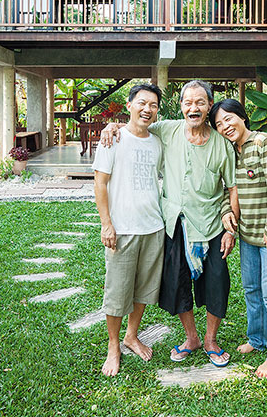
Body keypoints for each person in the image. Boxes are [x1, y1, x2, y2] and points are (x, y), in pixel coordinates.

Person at [102, 80, 238, 367]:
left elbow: (231, 187)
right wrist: (111, 126)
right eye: (187, 102)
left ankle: (211, 340)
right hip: (174, 223)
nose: (193, 108)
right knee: (177, 285)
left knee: (217, 283)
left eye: (200, 102)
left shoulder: (222, 144)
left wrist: (230, 227)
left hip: (210, 223)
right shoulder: (167, 130)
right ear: (180, 107)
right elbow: (137, 125)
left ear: (209, 106)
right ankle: (192, 338)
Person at [209, 98, 267, 379]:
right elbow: (227, 191)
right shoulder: (233, 153)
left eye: (228, 119)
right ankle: (257, 339)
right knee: (252, 291)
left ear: (242, 117)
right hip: (247, 237)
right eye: (219, 124)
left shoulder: (264, 143)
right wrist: (226, 214)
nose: (225, 126)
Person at [93, 83, 165, 377]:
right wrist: (106, 223)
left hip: (154, 226)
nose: (147, 109)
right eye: (142, 103)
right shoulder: (113, 139)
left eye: (154, 105)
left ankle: (131, 336)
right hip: (122, 228)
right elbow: (100, 183)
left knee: (144, 290)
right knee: (117, 291)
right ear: (130, 104)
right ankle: (113, 346)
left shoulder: (158, 141)